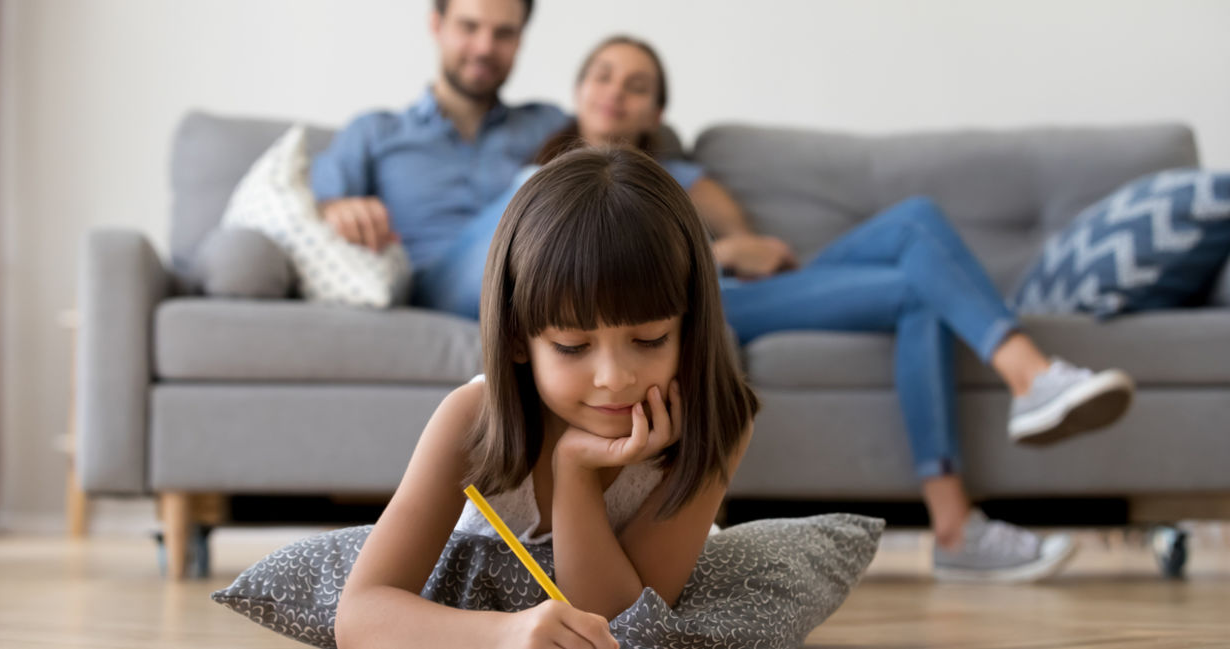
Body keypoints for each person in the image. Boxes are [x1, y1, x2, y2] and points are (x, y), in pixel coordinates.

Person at [416, 35, 1136, 583]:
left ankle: (1022, 402)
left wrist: (725, 249)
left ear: (656, 112)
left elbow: (748, 246)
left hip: (722, 299)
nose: (617, 91)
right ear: (577, 92)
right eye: (603, 75)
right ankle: (968, 499)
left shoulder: (684, 178)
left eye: (637, 85)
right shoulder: (539, 184)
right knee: (922, 288)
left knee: (916, 222)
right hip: (681, 304)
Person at [333, 147, 757, 648]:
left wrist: (575, 469)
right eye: (573, 346)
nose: (614, 378)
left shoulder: (718, 421)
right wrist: (505, 634)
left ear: (689, 328)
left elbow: (620, 623)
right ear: (517, 338)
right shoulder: (472, 419)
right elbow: (360, 613)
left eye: (649, 340)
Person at [309, 0, 569, 309]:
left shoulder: (547, 125)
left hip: (540, 282)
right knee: (538, 188)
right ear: (436, 25)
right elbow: (312, 209)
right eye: (469, 27)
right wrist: (337, 209)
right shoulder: (375, 132)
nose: (485, 47)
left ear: (520, 41)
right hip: (432, 289)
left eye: (504, 33)